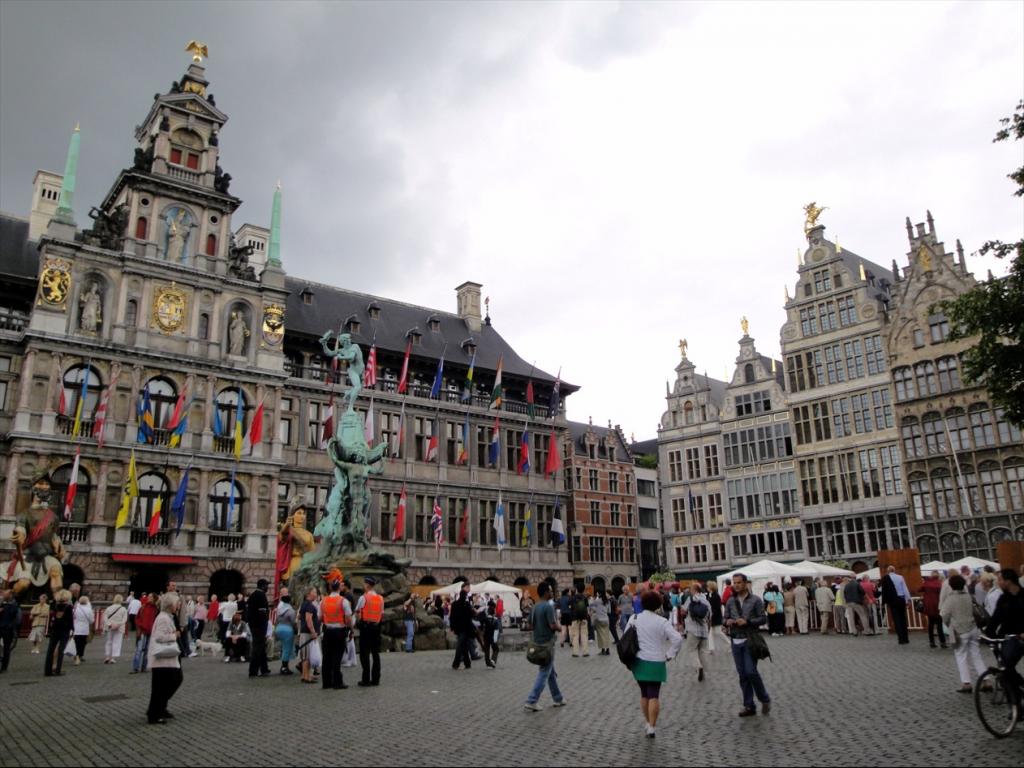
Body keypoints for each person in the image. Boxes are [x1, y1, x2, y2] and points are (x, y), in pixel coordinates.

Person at [628, 590, 682, 738]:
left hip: (638, 660)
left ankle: (647, 722)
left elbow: (625, 636)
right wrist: (670, 654)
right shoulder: (662, 621)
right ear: (658, 605)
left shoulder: (634, 618)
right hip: (656, 661)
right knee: (654, 695)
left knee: (644, 693)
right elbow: (677, 639)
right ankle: (652, 726)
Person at [725, 573, 771, 717]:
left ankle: (764, 698)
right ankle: (749, 705)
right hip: (735, 640)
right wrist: (727, 622)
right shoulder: (730, 601)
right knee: (743, 674)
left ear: (745, 583)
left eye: (739, 582)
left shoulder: (756, 600)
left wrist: (748, 622)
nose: (736, 585)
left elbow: (763, 619)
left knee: (751, 671)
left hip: (750, 640)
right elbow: (725, 617)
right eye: (734, 582)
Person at [940, 574, 987, 693]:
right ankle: (986, 680)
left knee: (961, 656)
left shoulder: (950, 598)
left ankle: (966, 683)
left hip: (959, 630)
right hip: (973, 628)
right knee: (977, 655)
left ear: (951, 586)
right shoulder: (969, 596)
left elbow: (944, 614)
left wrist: (949, 624)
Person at [523, 581, 566, 711]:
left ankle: (558, 698)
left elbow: (529, 625)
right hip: (547, 645)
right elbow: (553, 625)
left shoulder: (535, 606)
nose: (552, 592)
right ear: (546, 592)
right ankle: (532, 700)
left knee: (550, 672)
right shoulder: (548, 606)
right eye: (550, 590)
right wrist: (560, 628)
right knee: (544, 672)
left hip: (537, 642)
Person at [984, 568, 1024, 695]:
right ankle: (1015, 704)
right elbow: (995, 618)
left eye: (1000, 580)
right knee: (1005, 668)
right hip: (1008, 636)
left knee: (1006, 667)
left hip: (1021, 636)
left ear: (1009, 581)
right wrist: (988, 634)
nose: (998, 583)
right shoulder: (1003, 599)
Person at [146, 592, 184, 725]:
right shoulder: (163, 618)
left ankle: (158, 710)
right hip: (162, 658)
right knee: (161, 686)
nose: (179, 605)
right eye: (177, 603)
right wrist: (175, 635)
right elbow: (159, 636)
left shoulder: (167, 616)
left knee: (165, 684)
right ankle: (154, 714)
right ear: (171, 605)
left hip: (165, 658)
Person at [319, 579, 352, 689]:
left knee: (326, 657)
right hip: (339, 631)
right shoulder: (343, 601)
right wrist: (350, 628)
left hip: (327, 631)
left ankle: (326, 682)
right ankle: (337, 682)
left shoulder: (323, 601)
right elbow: (348, 618)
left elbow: (319, 617)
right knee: (337, 657)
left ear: (330, 588)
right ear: (339, 588)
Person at [355, 576, 384, 686]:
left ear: (367, 585)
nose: (363, 585)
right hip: (376, 627)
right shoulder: (380, 598)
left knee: (365, 654)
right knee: (376, 654)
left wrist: (358, 621)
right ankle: (376, 679)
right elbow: (381, 614)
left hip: (366, 628)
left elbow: (357, 612)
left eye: (364, 583)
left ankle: (366, 679)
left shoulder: (364, 598)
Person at [681, 583, 710, 682]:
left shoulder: (691, 599)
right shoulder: (706, 600)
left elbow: (683, 611)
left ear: (694, 590)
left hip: (692, 628)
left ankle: (698, 667)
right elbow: (710, 614)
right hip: (704, 629)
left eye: (691, 589)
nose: (689, 591)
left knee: (691, 649)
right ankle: (704, 671)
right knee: (702, 650)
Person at [880, 566, 912, 645]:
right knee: (903, 619)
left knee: (896, 619)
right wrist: (908, 599)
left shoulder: (885, 578)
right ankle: (906, 638)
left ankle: (900, 639)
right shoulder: (900, 577)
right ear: (894, 570)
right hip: (901, 599)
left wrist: (884, 601)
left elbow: (883, 591)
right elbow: (905, 588)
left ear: (888, 571)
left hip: (892, 600)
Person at [44, 589, 74, 676]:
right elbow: (70, 620)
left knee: (50, 649)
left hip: (54, 629)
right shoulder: (69, 607)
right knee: (61, 650)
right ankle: (57, 670)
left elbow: (50, 617)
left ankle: (47, 670)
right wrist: (72, 629)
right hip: (64, 630)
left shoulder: (54, 606)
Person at [246, 578, 270, 678]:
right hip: (259, 625)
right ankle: (253, 671)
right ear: (263, 586)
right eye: (267, 585)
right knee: (257, 648)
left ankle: (264, 669)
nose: (268, 587)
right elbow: (262, 612)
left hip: (253, 625)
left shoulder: (253, 595)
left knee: (261, 647)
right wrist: (265, 625)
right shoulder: (261, 595)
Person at [298, 587, 322, 685]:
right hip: (308, 633)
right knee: (307, 656)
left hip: (304, 632)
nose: (316, 594)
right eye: (314, 592)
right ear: (308, 593)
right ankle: (306, 677)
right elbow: (308, 620)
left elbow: (299, 617)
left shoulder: (304, 604)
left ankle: (305, 675)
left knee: (305, 656)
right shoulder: (309, 605)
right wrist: (313, 632)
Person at [450, 581, 475, 670]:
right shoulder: (467, 604)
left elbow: (452, 617)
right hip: (465, 627)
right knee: (460, 645)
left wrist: (452, 627)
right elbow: (471, 615)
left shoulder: (454, 604)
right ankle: (456, 663)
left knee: (463, 645)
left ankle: (467, 663)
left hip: (458, 627)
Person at [920, 571, 947, 649]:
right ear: (938, 576)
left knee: (931, 624)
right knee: (939, 625)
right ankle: (942, 642)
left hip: (929, 606)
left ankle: (931, 642)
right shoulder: (940, 584)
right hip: (938, 606)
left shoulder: (927, 583)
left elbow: (919, 589)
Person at [133, 594, 158, 673]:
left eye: (151, 597)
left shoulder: (156, 609)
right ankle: (136, 667)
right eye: (148, 597)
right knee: (139, 649)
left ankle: (144, 667)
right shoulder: (143, 607)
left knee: (147, 650)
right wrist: (140, 626)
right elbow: (137, 618)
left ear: (154, 599)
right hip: (142, 630)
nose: (149, 598)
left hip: (150, 631)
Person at [274, 594, 297, 675]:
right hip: (287, 629)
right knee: (287, 649)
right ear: (290, 601)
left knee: (283, 648)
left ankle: (284, 666)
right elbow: (293, 622)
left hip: (279, 628)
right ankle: (284, 667)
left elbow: (276, 620)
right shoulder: (291, 610)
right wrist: (296, 630)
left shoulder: (279, 609)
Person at [102, 594, 129, 663]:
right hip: (119, 628)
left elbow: (105, 618)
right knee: (117, 642)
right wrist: (118, 624)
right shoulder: (123, 609)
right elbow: (124, 619)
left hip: (110, 627)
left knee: (109, 642)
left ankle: (107, 656)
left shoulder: (109, 608)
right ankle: (113, 658)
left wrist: (110, 624)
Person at [0, 588, 22, 672]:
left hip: (8, 629)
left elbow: (18, 620)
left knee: (6, 648)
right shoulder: (2, 603)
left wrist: (13, 628)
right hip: (1, 627)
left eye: (5, 594)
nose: (3, 595)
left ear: (10, 595)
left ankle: (4, 667)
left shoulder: (15, 606)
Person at [71, 595, 94, 665]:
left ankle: (77, 655)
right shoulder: (89, 610)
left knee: (76, 643)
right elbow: (91, 621)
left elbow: (72, 618)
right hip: (85, 629)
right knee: (83, 643)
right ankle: (79, 655)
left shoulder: (75, 609)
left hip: (76, 628)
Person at [479, 600, 501, 668]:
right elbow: (497, 630)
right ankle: (493, 661)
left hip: (486, 636)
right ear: (494, 612)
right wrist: (495, 639)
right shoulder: (496, 620)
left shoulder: (484, 619)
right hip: (492, 637)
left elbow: (481, 627)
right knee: (496, 649)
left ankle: (488, 662)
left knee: (487, 650)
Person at [569, 588, 590, 657]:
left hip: (575, 618)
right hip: (584, 618)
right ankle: (585, 652)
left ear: (577, 590)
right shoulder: (585, 597)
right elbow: (587, 608)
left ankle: (575, 652)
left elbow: (570, 608)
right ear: (583, 589)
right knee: (584, 634)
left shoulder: (572, 598)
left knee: (575, 635)